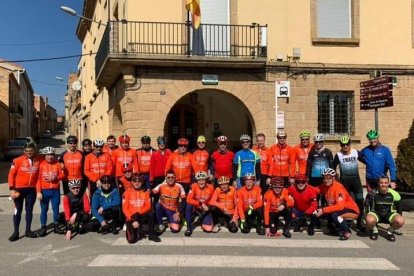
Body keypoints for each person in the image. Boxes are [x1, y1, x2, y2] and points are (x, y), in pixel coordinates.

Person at [8, 143, 41, 241]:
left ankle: (28, 231)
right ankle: (16, 232)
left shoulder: (38, 160)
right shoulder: (17, 160)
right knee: (17, 211)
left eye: (30, 150)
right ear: (24, 151)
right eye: (26, 151)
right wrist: (12, 189)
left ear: (34, 150)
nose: (29, 153)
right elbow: (11, 175)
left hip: (31, 189)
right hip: (19, 189)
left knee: (29, 210)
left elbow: (50, 157)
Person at [314, 168, 359, 240]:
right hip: (338, 210)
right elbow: (314, 190)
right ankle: (336, 229)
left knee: (335, 215)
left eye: (329, 178)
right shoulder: (324, 186)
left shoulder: (338, 188)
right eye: (324, 178)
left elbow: (340, 206)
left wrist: (323, 210)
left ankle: (347, 231)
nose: (326, 180)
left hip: (351, 210)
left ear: (333, 178)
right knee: (315, 212)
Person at [333, 135, 365, 230]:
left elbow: (368, 161)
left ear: (350, 144)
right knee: (344, 204)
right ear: (341, 145)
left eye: (347, 144)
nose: (345, 146)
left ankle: (359, 223)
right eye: (343, 145)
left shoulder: (355, 152)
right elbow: (332, 167)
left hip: (356, 183)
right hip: (344, 184)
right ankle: (345, 222)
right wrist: (336, 180)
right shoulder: (338, 155)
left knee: (360, 202)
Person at [122, 173, 161, 243]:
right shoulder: (127, 193)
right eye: (135, 181)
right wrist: (133, 219)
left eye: (139, 181)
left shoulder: (145, 192)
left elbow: (148, 206)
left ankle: (151, 234)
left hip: (141, 215)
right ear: (132, 182)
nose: (137, 183)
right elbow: (125, 208)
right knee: (131, 240)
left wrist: (138, 214)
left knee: (150, 214)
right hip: (131, 217)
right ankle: (135, 230)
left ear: (142, 182)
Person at [365, 175, 404, 242]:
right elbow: (366, 206)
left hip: (389, 214)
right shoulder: (372, 193)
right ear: (378, 183)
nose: (383, 185)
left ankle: (390, 232)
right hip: (376, 214)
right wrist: (368, 220)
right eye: (381, 182)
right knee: (368, 219)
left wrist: (395, 222)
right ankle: (375, 231)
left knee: (401, 221)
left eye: (385, 183)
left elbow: (399, 209)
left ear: (388, 183)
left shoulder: (395, 194)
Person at [37, 147, 65, 237]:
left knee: (56, 209)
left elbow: (63, 175)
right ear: (45, 155)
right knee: (44, 210)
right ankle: (43, 228)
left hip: (55, 191)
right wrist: (38, 192)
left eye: (52, 155)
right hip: (44, 191)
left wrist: (56, 178)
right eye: (48, 155)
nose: (50, 157)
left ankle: (56, 226)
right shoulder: (41, 165)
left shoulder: (57, 164)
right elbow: (37, 180)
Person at [184, 171, 215, 236]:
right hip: (195, 208)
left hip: (205, 210)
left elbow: (213, 200)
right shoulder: (193, 186)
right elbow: (188, 199)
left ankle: (200, 219)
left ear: (206, 180)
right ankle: (189, 228)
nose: (201, 182)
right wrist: (201, 204)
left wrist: (208, 206)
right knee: (188, 206)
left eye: (203, 180)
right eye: (199, 180)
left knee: (208, 229)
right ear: (197, 181)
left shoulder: (211, 187)